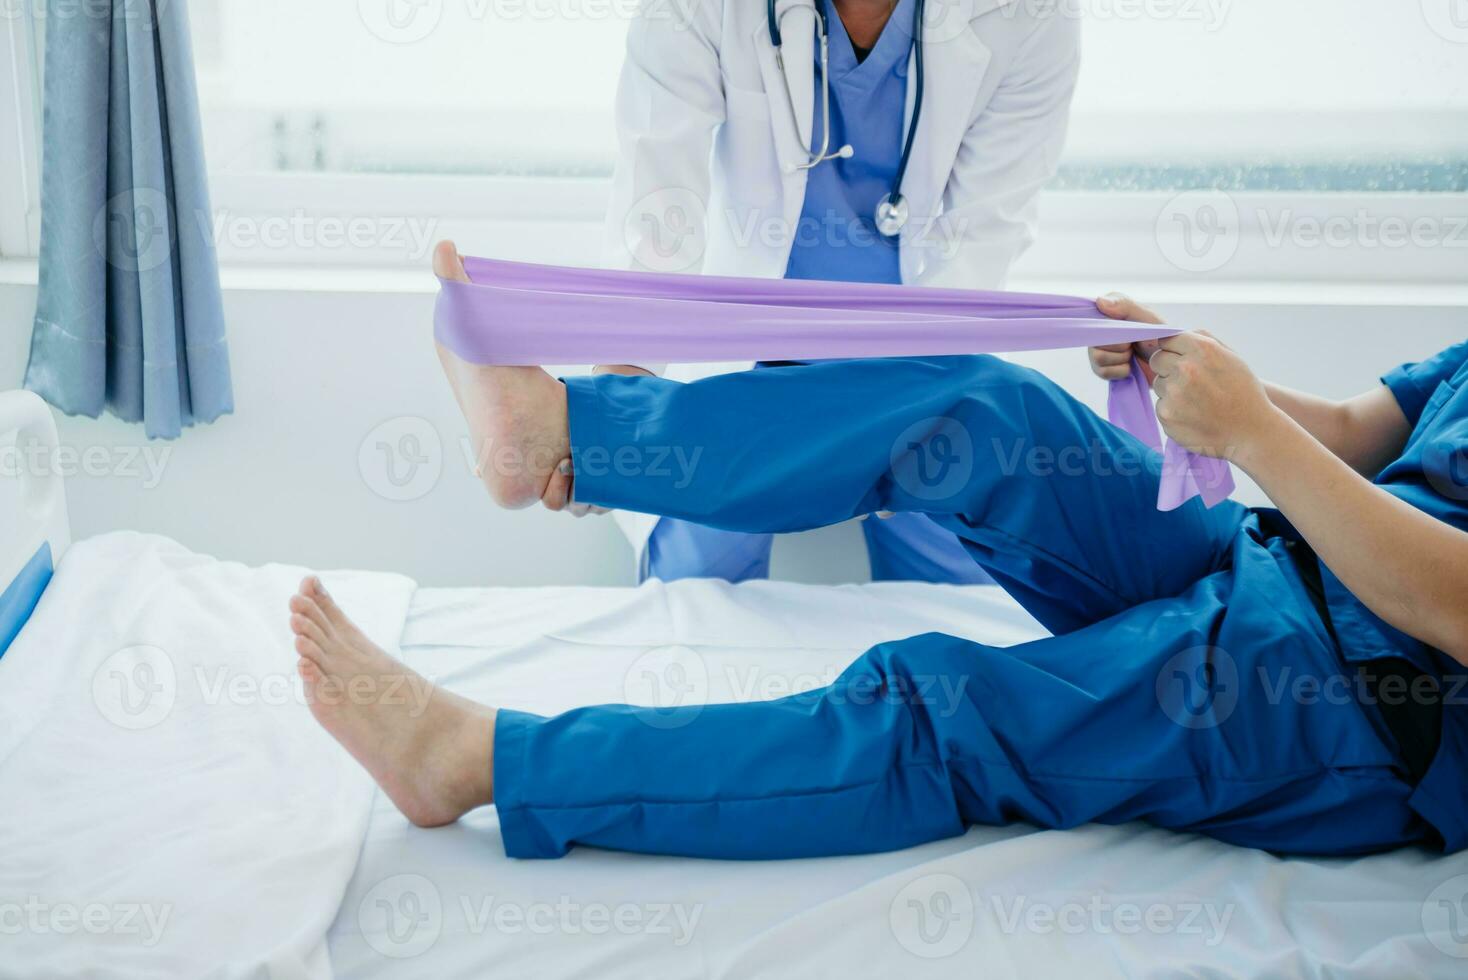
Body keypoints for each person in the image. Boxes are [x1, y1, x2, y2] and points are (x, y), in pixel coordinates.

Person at [286, 243, 1468, 859]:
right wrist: (1207, 379)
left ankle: (483, 761)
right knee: (978, 409)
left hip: (1356, 698)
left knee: (941, 709)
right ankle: (564, 434)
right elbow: (1371, 433)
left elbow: (1451, 605)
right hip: (1280, 557)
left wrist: (1250, 431)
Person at [577, 0, 1081, 585]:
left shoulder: (1030, 13)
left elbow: (986, 227)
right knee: (696, 586)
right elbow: (659, 197)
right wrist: (620, 399)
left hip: (918, 362)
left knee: (965, 595)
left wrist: (930, 402)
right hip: (745, 352)